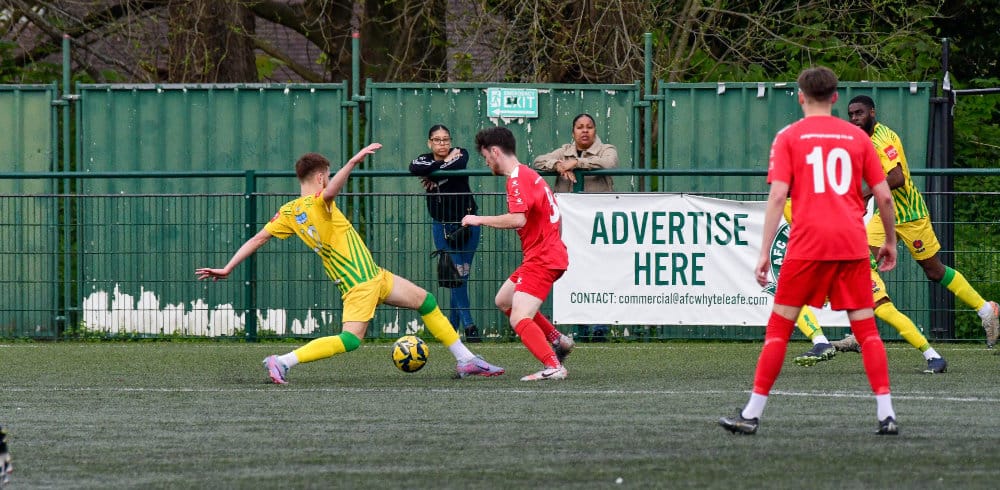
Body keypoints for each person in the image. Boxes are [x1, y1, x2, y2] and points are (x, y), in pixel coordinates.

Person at [195, 146, 504, 383]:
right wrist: (354, 161)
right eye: (328, 175)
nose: (329, 180)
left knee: (427, 301)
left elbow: (258, 238)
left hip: (374, 276)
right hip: (360, 283)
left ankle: (465, 359)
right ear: (320, 177)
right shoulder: (319, 202)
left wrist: (228, 267)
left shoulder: (288, 211)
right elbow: (331, 192)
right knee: (350, 340)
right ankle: (283, 361)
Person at [720, 66, 900, 436]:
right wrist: (890, 241)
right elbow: (884, 195)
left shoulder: (788, 137)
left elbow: (777, 197)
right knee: (867, 331)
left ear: (801, 97)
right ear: (834, 97)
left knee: (779, 329)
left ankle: (751, 414)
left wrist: (763, 253)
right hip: (851, 243)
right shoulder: (858, 137)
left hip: (807, 244)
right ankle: (887, 415)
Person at [848, 95, 999, 348]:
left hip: (911, 214)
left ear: (872, 112)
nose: (854, 118)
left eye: (859, 113)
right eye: (851, 114)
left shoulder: (883, 139)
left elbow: (897, 178)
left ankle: (986, 310)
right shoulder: (863, 140)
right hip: (885, 214)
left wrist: (865, 194)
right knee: (861, 262)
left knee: (934, 271)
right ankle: (862, 331)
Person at [462, 126, 576, 381]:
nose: (486, 162)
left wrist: (479, 219)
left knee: (519, 317)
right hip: (545, 254)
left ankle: (554, 366)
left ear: (495, 151)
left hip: (543, 258)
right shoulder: (529, 174)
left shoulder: (516, 179)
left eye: (485, 156)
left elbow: (517, 219)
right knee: (504, 300)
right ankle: (557, 340)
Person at [784, 200, 949, 374]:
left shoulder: (795, 202)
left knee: (885, 310)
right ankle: (821, 343)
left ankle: (934, 356)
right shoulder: (809, 199)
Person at [532, 113, 617, 341]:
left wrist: (578, 164)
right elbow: (538, 161)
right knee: (573, 271)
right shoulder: (564, 151)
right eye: (580, 127)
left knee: (600, 272)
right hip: (569, 226)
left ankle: (600, 326)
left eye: (589, 127)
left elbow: (609, 163)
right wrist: (559, 165)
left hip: (598, 224)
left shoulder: (606, 149)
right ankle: (580, 324)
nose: (585, 131)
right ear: (573, 132)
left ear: (595, 130)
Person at [409, 125, 482, 343]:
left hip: (469, 222)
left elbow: (458, 163)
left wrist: (434, 173)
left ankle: (451, 327)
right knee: (454, 273)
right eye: (437, 140)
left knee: (462, 275)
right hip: (442, 226)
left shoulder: (461, 153)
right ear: (429, 142)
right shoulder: (423, 159)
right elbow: (414, 167)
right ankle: (469, 326)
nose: (442, 144)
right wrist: (440, 167)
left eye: (446, 140)